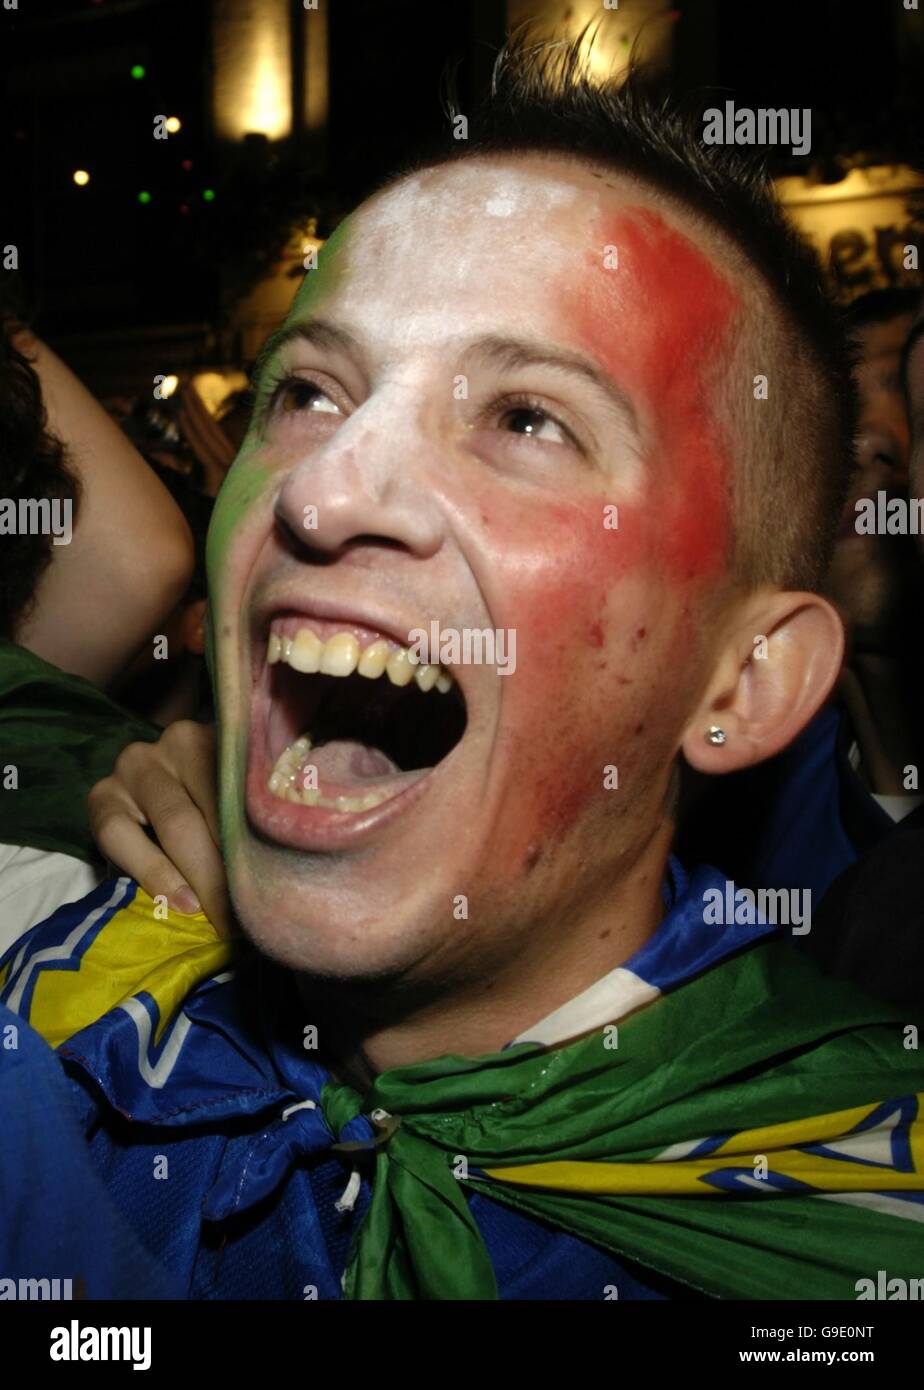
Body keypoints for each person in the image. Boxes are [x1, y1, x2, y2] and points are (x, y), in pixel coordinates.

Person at [3, 40, 923, 1301]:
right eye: (311, 392)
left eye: (526, 418)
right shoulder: (62, 1004)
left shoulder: (864, 1221)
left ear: (744, 681)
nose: (322, 493)